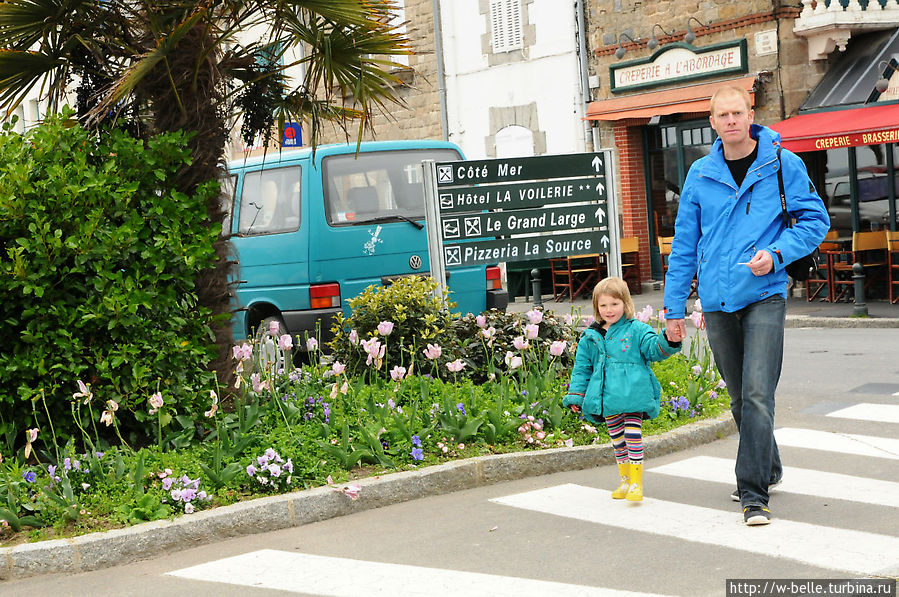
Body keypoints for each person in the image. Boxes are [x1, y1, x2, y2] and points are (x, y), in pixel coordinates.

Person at [663, 85, 829, 526]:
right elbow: (683, 245)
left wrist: (776, 253)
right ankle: (768, 465)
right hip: (717, 300)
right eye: (723, 115)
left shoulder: (781, 163)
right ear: (713, 121)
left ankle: (753, 493)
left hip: (765, 295)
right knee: (739, 398)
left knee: (758, 393)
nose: (731, 120)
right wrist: (673, 308)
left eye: (738, 112)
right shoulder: (699, 174)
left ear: (750, 114)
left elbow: (815, 220)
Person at [563, 277, 681, 502]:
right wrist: (577, 395)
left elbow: (653, 349)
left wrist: (668, 340)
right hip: (607, 397)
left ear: (626, 304)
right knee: (617, 438)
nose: (609, 310)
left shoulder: (637, 330)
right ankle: (625, 479)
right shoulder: (591, 335)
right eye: (604, 305)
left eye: (614, 304)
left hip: (633, 394)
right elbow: (582, 368)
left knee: (632, 435)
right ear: (597, 307)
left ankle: (637, 482)